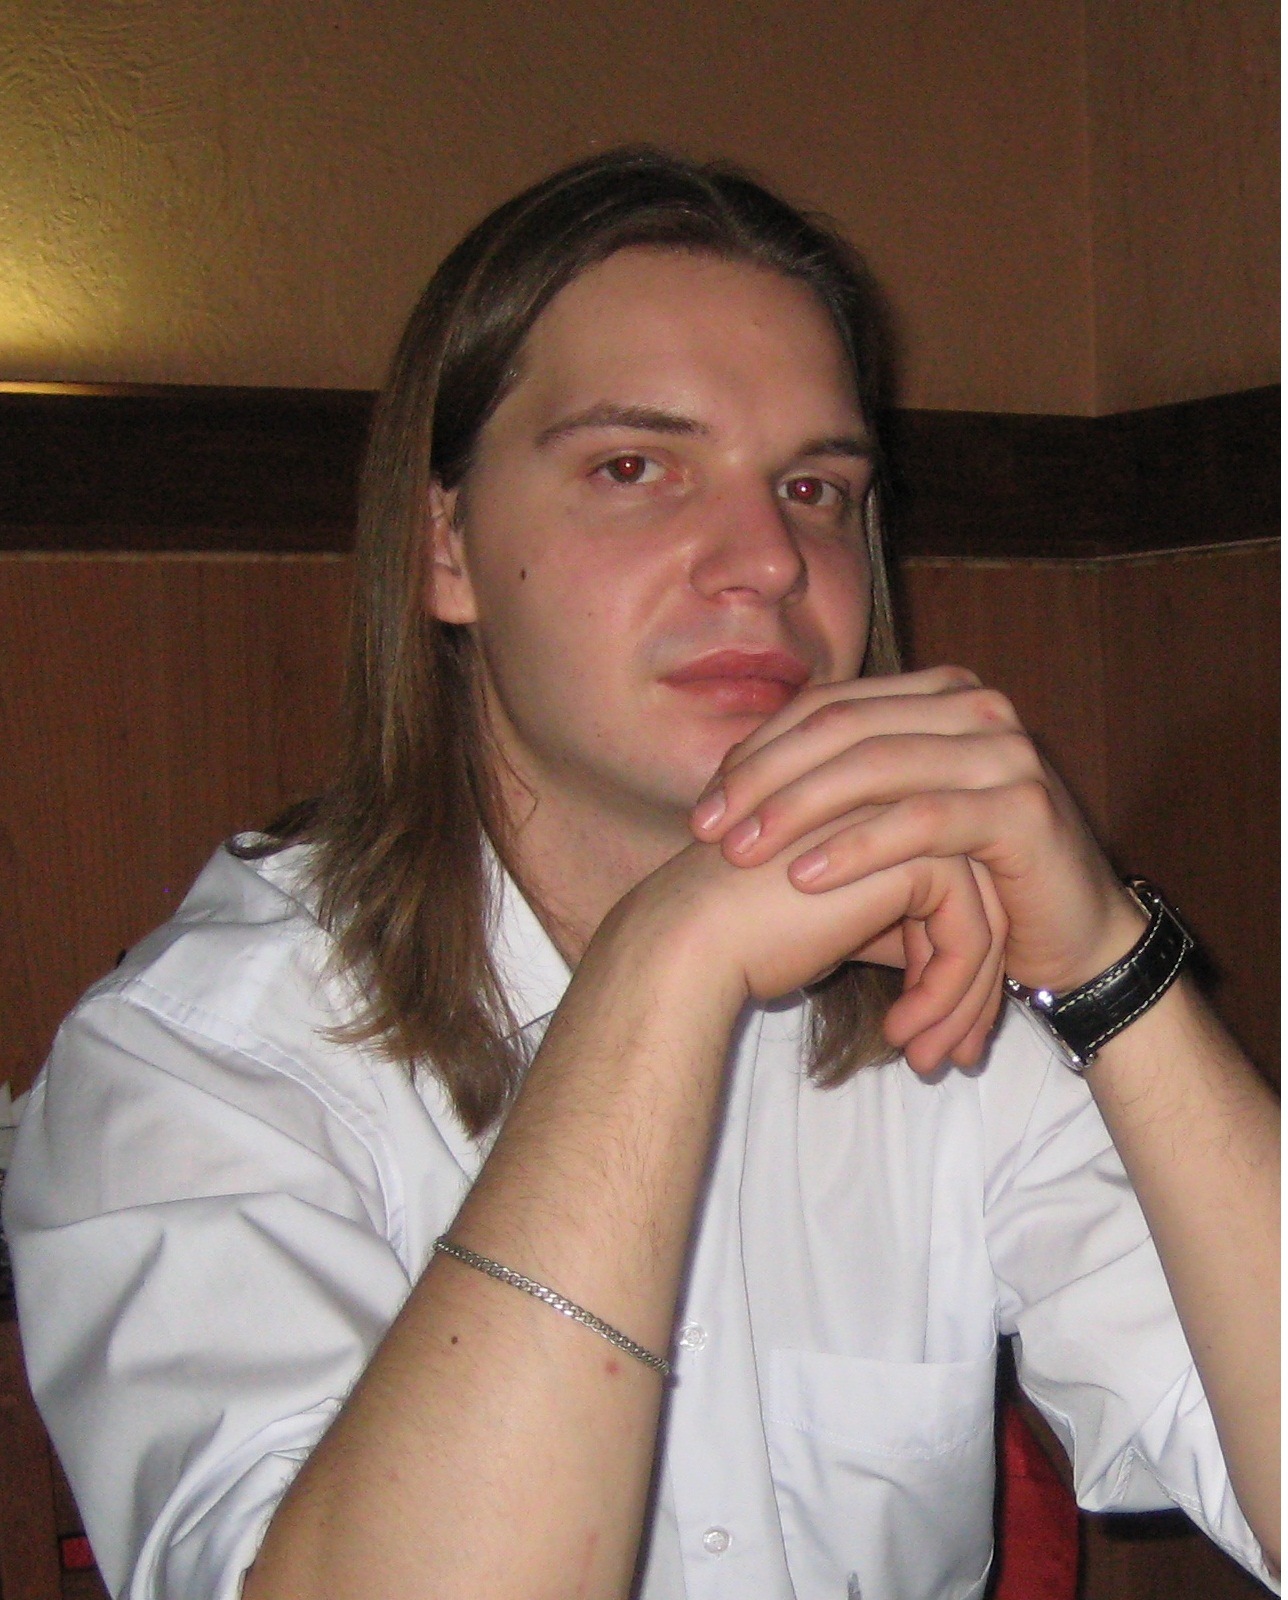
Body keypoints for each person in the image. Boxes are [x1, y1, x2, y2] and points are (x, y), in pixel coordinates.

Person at [4, 149, 1278, 1600]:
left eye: (813, 487)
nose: (767, 561)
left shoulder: (938, 985)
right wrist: (667, 967)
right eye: (634, 468)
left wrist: (1108, 965)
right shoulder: (188, 1066)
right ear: (445, 545)